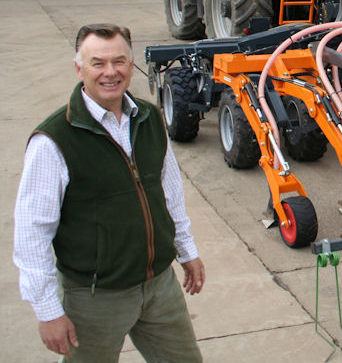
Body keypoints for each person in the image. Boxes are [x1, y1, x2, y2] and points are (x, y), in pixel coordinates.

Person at [13, 23, 205, 362]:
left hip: (159, 284)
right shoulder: (53, 140)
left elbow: (168, 190)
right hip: (94, 297)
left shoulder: (148, 117)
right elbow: (32, 233)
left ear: (131, 66)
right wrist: (47, 311)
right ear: (79, 68)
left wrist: (185, 249)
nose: (110, 72)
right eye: (97, 63)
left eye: (119, 61)